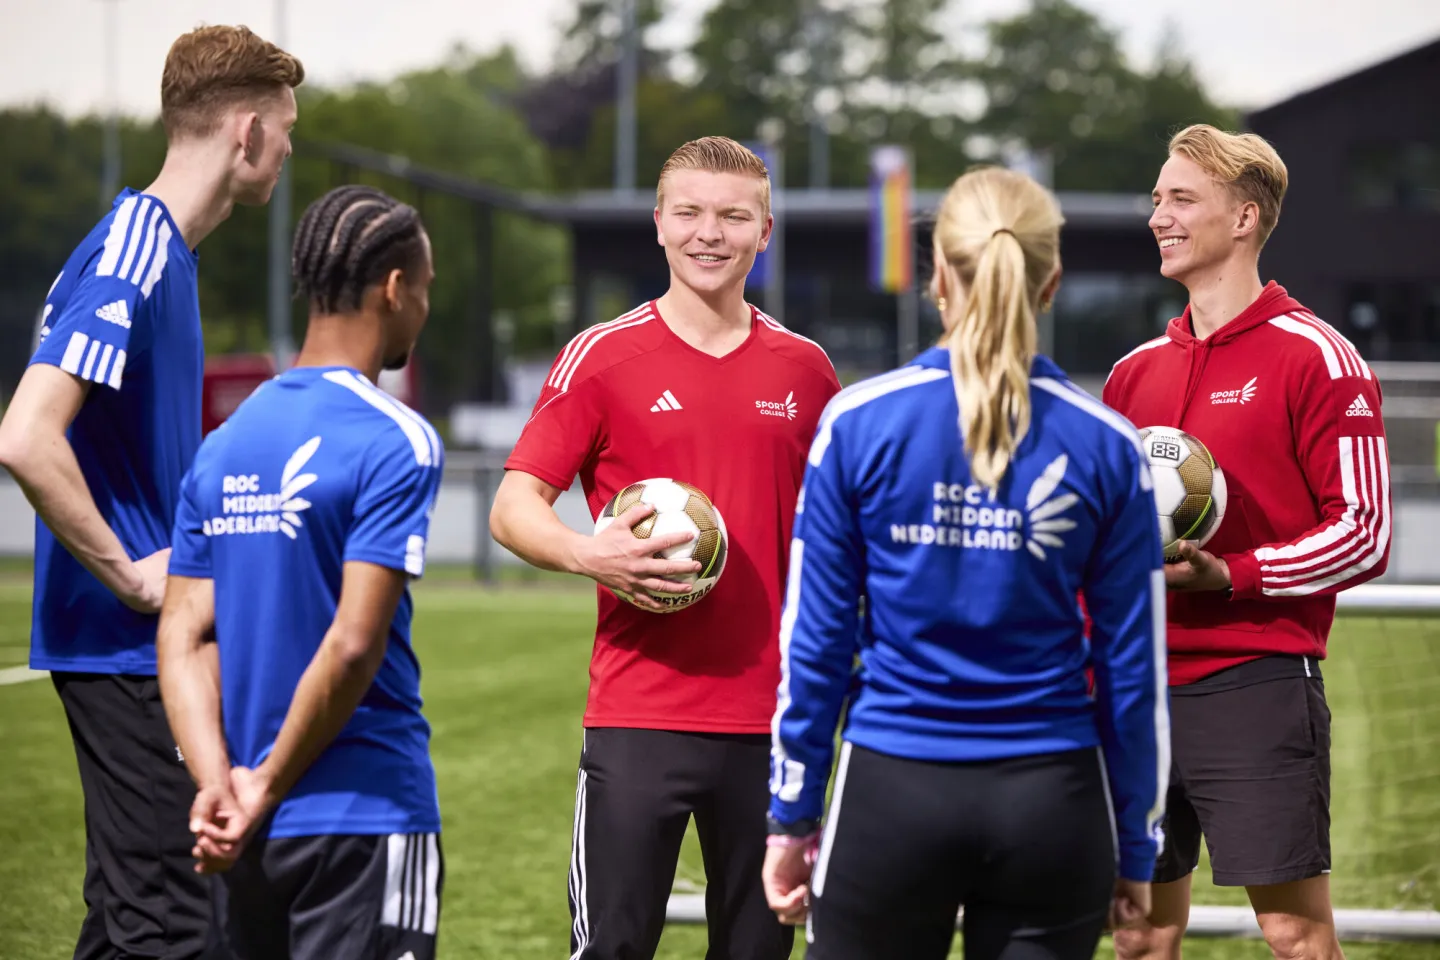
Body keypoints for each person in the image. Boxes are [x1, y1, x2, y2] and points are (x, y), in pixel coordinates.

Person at [762, 166, 1169, 960]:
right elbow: (1133, 675)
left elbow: (814, 645)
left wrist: (791, 816)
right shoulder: (1109, 445)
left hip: (891, 792)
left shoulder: (857, 424)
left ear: (937, 276)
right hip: (1054, 805)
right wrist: (1137, 850)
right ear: (1051, 283)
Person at [490, 136, 841, 959]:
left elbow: (842, 538)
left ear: (766, 232)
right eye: (688, 212)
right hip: (638, 714)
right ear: (658, 224)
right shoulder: (603, 358)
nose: (708, 233)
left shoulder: (809, 370)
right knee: (611, 949)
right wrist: (591, 555)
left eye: (732, 216)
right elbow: (513, 505)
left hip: (775, 721)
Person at [0, 25, 302, 960]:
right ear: (246, 132)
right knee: (172, 925)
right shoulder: (136, 245)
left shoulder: (163, 251)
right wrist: (134, 576)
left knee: (142, 919)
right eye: (287, 128)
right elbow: (25, 434)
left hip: (148, 650)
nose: (289, 149)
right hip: (125, 650)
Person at [1104, 125, 1392, 960]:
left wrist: (1230, 574)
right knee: (1142, 936)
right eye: (1157, 198)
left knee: (1295, 935)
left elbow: (1365, 532)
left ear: (1244, 218)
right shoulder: (1132, 373)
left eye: (1181, 198)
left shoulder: (1319, 357)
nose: (1159, 215)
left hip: (1254, 685)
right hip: (1137, 691)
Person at [155, 185, 445, 960]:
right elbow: (355, 642)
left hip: (241, 827)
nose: (422, 307)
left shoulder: (226, 441)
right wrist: (268, 786)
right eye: (424, 288)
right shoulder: (396, 439)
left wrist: (221, 786)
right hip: (364, 814)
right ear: (393, 288)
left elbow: (181, 634)